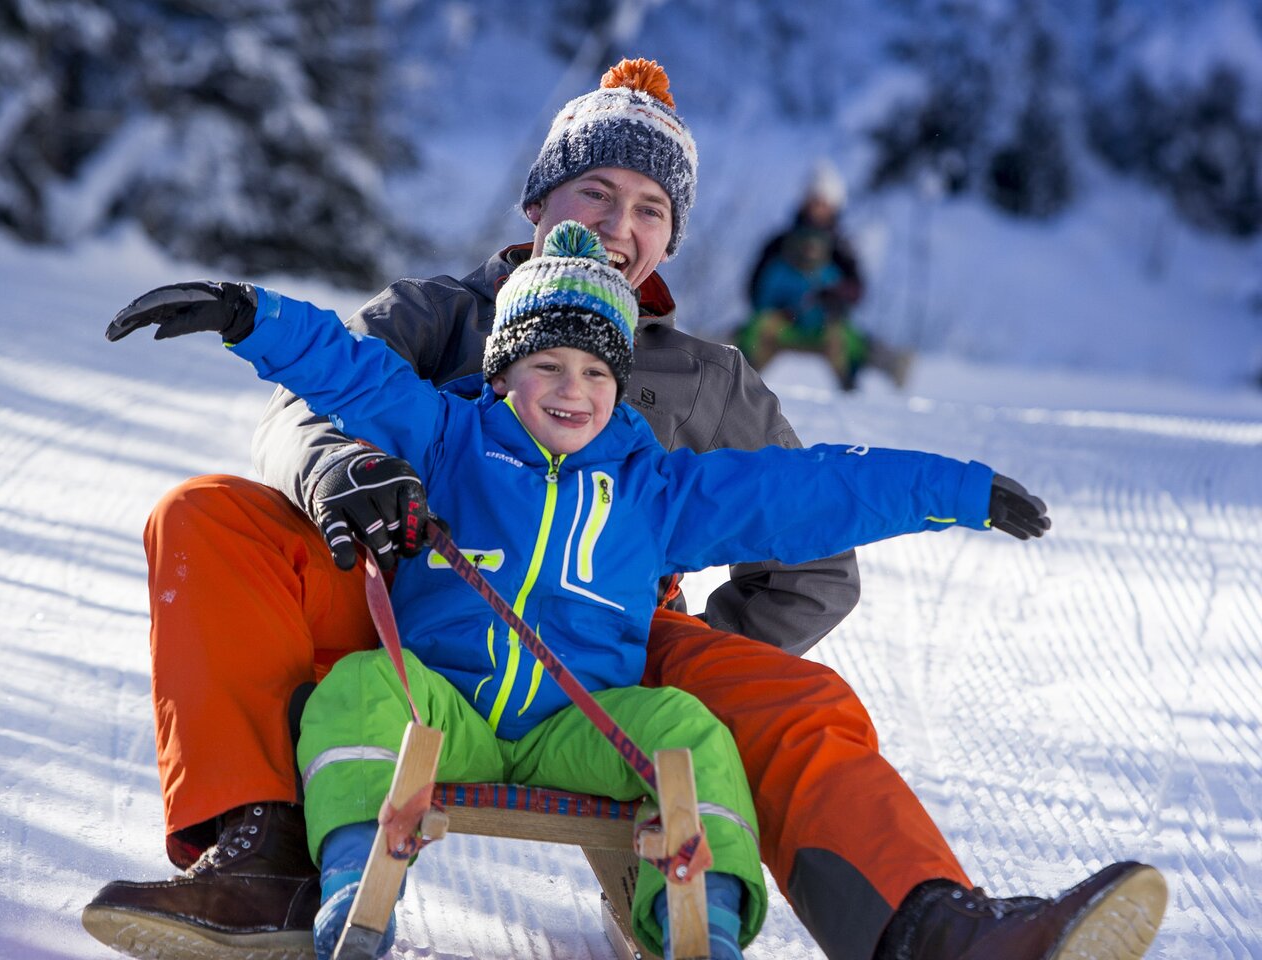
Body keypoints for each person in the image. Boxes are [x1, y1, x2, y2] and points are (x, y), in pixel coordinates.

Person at [83, 58, 1166, 960]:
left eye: (648, 208)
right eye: (594, 193)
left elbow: (809, 535)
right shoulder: (441, 313)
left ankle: (936, 931)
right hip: (404, 590)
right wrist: (343, 473)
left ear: (671, 238)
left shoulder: (710, 382)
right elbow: (315, 397)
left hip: (612, 648)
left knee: (793, 701)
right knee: (208, 518)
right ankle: (266, 862)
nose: (619, 222)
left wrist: (661, 644)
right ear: (538, 205)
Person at [738, 159, 912, 391]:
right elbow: (753, 288)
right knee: (751, 333)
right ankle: (733, 388)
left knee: (848, 342)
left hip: (824, 327)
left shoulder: (842, 248)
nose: (818, 208)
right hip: (780, 324)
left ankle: (854, 396)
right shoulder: (778, 243)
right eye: (814, 201)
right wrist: (776, 307)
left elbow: (857, 290)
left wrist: (835, 296)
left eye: (823, 203)